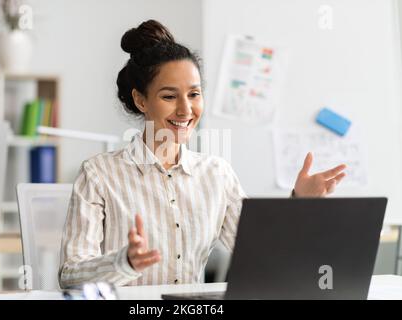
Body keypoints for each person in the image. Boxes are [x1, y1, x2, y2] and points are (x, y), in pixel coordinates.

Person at [58, 20, 346, 288]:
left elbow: (264, 255)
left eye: (194, 95)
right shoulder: (99, 174)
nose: (186, 110)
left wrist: (299, 203)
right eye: (169, 96)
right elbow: (70, 275)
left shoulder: (217, 175)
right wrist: (125, 262)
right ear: (140, 100)